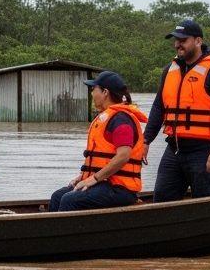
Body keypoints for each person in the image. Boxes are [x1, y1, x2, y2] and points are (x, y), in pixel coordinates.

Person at [137, 19, 210, 202]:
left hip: (204, 151)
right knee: (161, 200)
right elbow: (159, 107)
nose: (177, 45)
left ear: (198, 41)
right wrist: (146, 140)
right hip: (174, 149)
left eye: (183, 40)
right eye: (176, 40)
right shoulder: (169, 71)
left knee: (205, 203)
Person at [49, 71, 147, 211]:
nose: (91, 94)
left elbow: (123, 155)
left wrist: (93, 179)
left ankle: (67, 232)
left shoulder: (121, 120)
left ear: (105, 92)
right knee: (57, 196)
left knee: (69, 200)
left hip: (120, 189)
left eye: (93, 89)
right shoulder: (107, 117)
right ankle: (52, 231)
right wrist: (83, 176)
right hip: (105, 183)